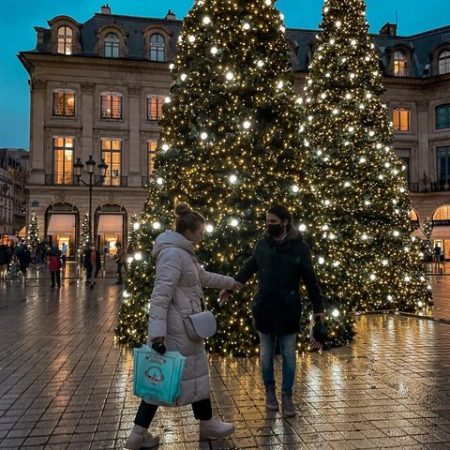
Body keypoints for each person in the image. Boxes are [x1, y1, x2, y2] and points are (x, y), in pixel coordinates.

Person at [125, 203, 242, 450]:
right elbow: (160, 295)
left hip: (186, 326)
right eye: (200, 231)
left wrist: (231, 282)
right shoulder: (173, 254)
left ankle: (203, 423)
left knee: (191, 377)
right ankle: (139, 433)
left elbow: (203, 277)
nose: (203, 235)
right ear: (188, 232)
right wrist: (157, 334)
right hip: (176, 329)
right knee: (163, 380)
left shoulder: (184, 253)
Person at [220, 205, 325, 417]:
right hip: (265, 308)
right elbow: (249, 267)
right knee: (266, 355)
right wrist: (231, 286)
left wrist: (319, 309)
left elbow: (310, 280)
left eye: (274, 222)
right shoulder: (263, 245)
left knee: (289, 355)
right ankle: (270, 390)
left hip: (288, 308)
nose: (270, 225)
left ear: (285, 222)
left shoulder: (299, 248)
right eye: (267, 221)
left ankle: (287, 395)